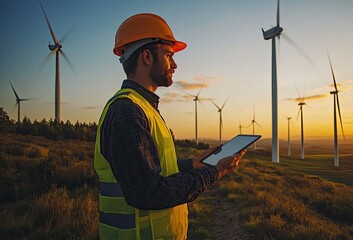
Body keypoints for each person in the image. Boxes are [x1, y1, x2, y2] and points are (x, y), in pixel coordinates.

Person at [94, 13, 246, 240]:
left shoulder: (142, 107)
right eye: (168, 55)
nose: (175, 64)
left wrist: (195, 163)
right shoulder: (127, 111)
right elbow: (149, 192)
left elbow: (152, 167)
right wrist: (216, 171)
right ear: (147, 56)